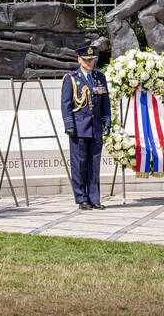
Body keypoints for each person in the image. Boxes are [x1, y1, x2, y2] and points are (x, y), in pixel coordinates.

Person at [60, 45, 111, 210]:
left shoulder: (99, 78)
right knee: (79, 165)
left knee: (94, 165)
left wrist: (107, 122)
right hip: (79, 128)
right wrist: (69, 124)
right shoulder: (71, 78)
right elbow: (66, 104)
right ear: (79, 60)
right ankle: (82, 198)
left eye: (92, 60)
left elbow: (105, 103)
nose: (89, 62)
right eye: (86, 60)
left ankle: (94, 199)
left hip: (95, 128)